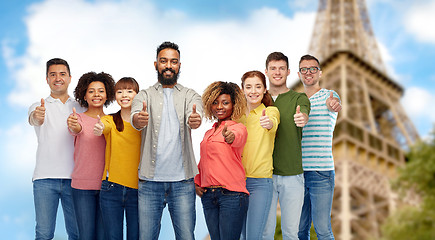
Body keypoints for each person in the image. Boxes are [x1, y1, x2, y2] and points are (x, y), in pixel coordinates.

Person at [131, 41, 203, 240]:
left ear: (179, 65)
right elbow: (135, 117)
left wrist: (194, 119)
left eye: (173, 61)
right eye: (164, 61)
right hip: (149, 182)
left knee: (186, 236)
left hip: (182, 182)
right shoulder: (143, 95)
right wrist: (139, 119)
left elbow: (195, 113)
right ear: (156, 64)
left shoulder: (190, 95)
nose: (168, 65)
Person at [28, 58, 80, 240]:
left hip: (75, 180)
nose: (58, 78)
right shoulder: (37, 106)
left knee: (77, 233)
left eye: (62, 74)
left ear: (70, 77)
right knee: (43, 233)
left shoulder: (80, 107)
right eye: (53, 74)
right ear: (47, 79)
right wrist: (38, 116)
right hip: (44, 179)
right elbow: (35, 119)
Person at [262, 52, 311, 240]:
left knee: (291, 233)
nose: (277, 72)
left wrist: (303, 118)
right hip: (264, 175)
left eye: (281, 68)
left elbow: (304, 112)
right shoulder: (257, 98)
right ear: (266, 71)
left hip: (292, 175)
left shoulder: (299, 98)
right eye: (273, 68)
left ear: (288, 71)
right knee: (265, 233)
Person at [195, 81, 249, 240]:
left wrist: (230, 137)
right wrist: (196, 183)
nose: (220, 106)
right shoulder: (208, 133)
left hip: (231, 196)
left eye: (225, 103)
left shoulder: (238, 128)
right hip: (209, 197)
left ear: (234, 105)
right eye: (215, 103)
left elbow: (237, 139)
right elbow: (204, 162)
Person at [297, 55, 341, 240]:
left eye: (313, 68)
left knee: (322, 229)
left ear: (320, 73)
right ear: (299, 74)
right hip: (297, 172)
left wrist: (333, 105)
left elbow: (333, 105)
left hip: (321, 171)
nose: (308, 72)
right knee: (299, 230)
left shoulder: (329, 95)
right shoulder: (296, 101)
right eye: (304, 69)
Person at [67, 71, 115, 240]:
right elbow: (76, 129)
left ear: (107, 94)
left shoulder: (113, 121)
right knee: (86, 236)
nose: (96, 94)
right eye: (91, 91)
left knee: (104, 237)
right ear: (84, 95)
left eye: (101, 91)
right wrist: (74, 126)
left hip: (108, 188)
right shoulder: (77, 118)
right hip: (82, 188)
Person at [93, 77, 141, 240]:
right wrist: (99, 128)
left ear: (137, 95)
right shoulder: (110, 120)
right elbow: (103, 127)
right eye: (120, 91)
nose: (124, 95)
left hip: (138, 189)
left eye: (129, 91)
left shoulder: (143, 125)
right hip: (111, 188)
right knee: (113, 237)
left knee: (136, 236)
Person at [238, 71, 280, 240]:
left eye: (258, 86)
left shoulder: (271, 112)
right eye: (248, 87)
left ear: (264, 90)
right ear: (242, 90)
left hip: (260, 183)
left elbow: (273, 123)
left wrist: (268, 123)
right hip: (236, 183)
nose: (253, 91)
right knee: (241, 235)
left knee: (253, 236)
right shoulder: (236, 117)